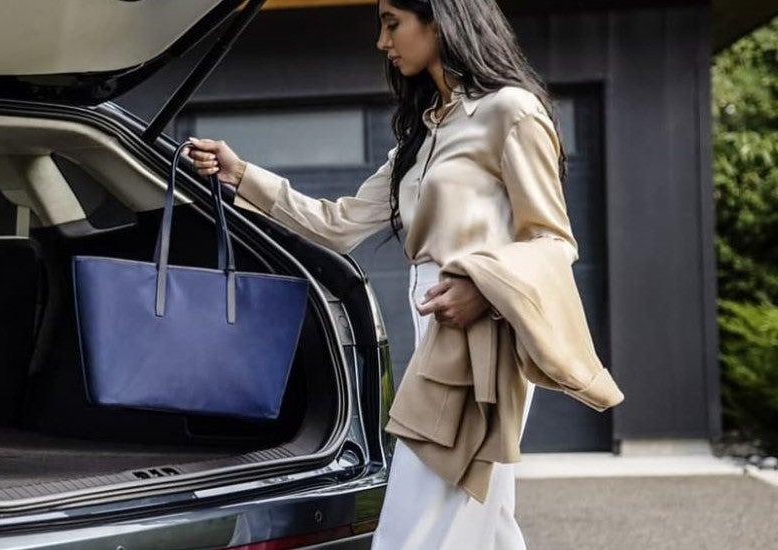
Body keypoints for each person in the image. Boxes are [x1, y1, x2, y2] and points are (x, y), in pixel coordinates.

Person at [186, 0, 624, 548]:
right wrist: (242, 174)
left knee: (417, 517)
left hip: (484, 334)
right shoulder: (420, 138)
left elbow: (553, 242)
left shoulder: (511, 111)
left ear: (440, 19)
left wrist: (482, 290)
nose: (382, 42)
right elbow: (337, 224)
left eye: (392, 23)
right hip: (438, 327)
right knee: (482, 519)